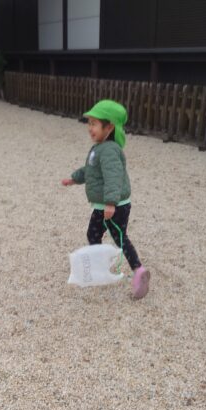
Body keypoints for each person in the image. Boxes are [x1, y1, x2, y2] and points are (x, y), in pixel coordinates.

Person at [61, 99, 150, 299]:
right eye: (89, 123)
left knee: (120, 238)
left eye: (94, 124)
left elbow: (113, 176)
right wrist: (74, 179)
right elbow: (90, 170)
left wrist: (110, 203)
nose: (89, 128)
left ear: (109, 128)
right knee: (94, 234)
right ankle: (99, 267)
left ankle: (139, 271)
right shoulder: (99, 148)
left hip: (114, 206)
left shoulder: (109, 150)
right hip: (105, 205)